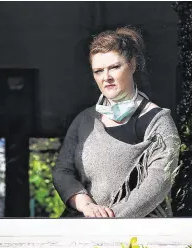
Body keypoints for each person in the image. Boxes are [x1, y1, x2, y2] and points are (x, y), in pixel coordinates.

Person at [52, 26, 180, 218]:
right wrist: (86, 205)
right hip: (84, 227)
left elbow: (159, 182)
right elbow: (62, 171)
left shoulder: (157, 121)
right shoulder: (85, 120)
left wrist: (108, 221)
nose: (106, 77)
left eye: (114, 67)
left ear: (133, 64)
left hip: (135, 236)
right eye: (98, 71)